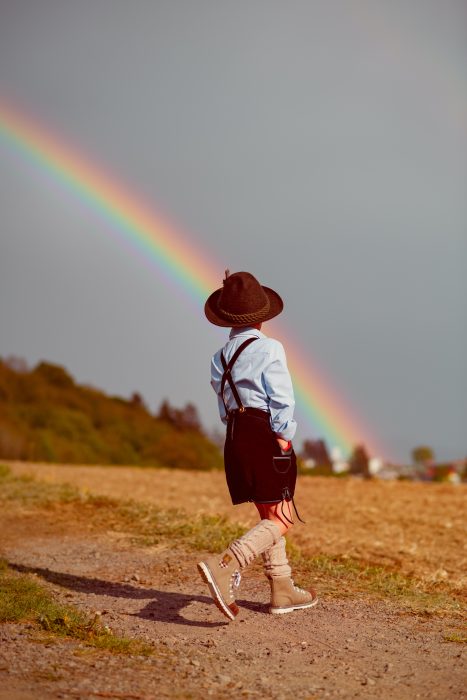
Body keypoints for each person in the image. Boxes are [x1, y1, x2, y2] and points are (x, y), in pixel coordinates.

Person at [198, 270, 318, 620]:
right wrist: (283, 433)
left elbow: (223, 405)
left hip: (235, 433)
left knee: (267, 512)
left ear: (226, 318)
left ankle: (282, 590)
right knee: (281, 516)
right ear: (262, 315)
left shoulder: (219, 356)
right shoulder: (269, 348)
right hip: (264, 429)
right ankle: (225, 564)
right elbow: (281, 396)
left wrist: (240, 430)